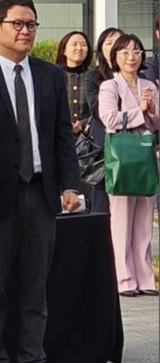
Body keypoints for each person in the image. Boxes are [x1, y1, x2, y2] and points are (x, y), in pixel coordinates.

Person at [0, 0, 81, 363]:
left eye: (31, 24)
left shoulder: (49, 76)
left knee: (35, 286)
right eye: (18, 24)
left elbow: (62, 135)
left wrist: (69, 185)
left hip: (41, 194)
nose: (26, 31)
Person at [98, 33, 159, 297]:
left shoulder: (150, 84)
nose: (131, 57)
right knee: (121, 219)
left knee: (145, 219)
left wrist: (152, 109)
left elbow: (156, 123)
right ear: (115, 57)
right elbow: (109, 118)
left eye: (136, 51)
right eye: (124, 52)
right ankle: (124, 279)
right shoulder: (109, 86)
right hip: (122, 155)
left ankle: (146, 278)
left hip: (145, 154)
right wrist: (140, 110)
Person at [87, 27, 125, 213]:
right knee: (102, 205)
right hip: (105, 148)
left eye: (118, 42)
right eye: (109, 43)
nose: (114, 47)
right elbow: (99, 112)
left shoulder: (139, 77)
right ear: (101, 49)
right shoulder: (93, 77)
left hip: (132, 147)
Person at [55, 31, 92, 137]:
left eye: (83, 45)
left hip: (87, 138)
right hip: (58, 136)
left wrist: (82, 124)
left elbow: (99, 110)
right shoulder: (53, 75)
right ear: (64, 50)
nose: (79, 48)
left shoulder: (94, 77)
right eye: (74, 44)